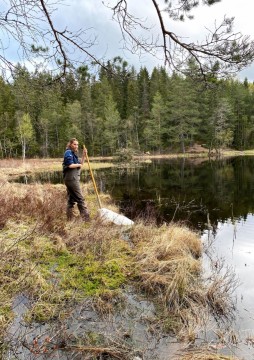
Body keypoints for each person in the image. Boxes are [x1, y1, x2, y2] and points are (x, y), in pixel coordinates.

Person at [62, 138, 90, 221]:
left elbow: (81, 163)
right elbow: (70, 165)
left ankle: (69, 218)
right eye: (74, 144)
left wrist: (84, 155)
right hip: (72, 179)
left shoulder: (73, 154)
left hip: (71, 179)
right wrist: (79, 165)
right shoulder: (68, 152)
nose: (76, 146)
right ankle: (86, 219)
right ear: (70, 144)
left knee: (71, 200)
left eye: (77, 144)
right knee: (80, 199)